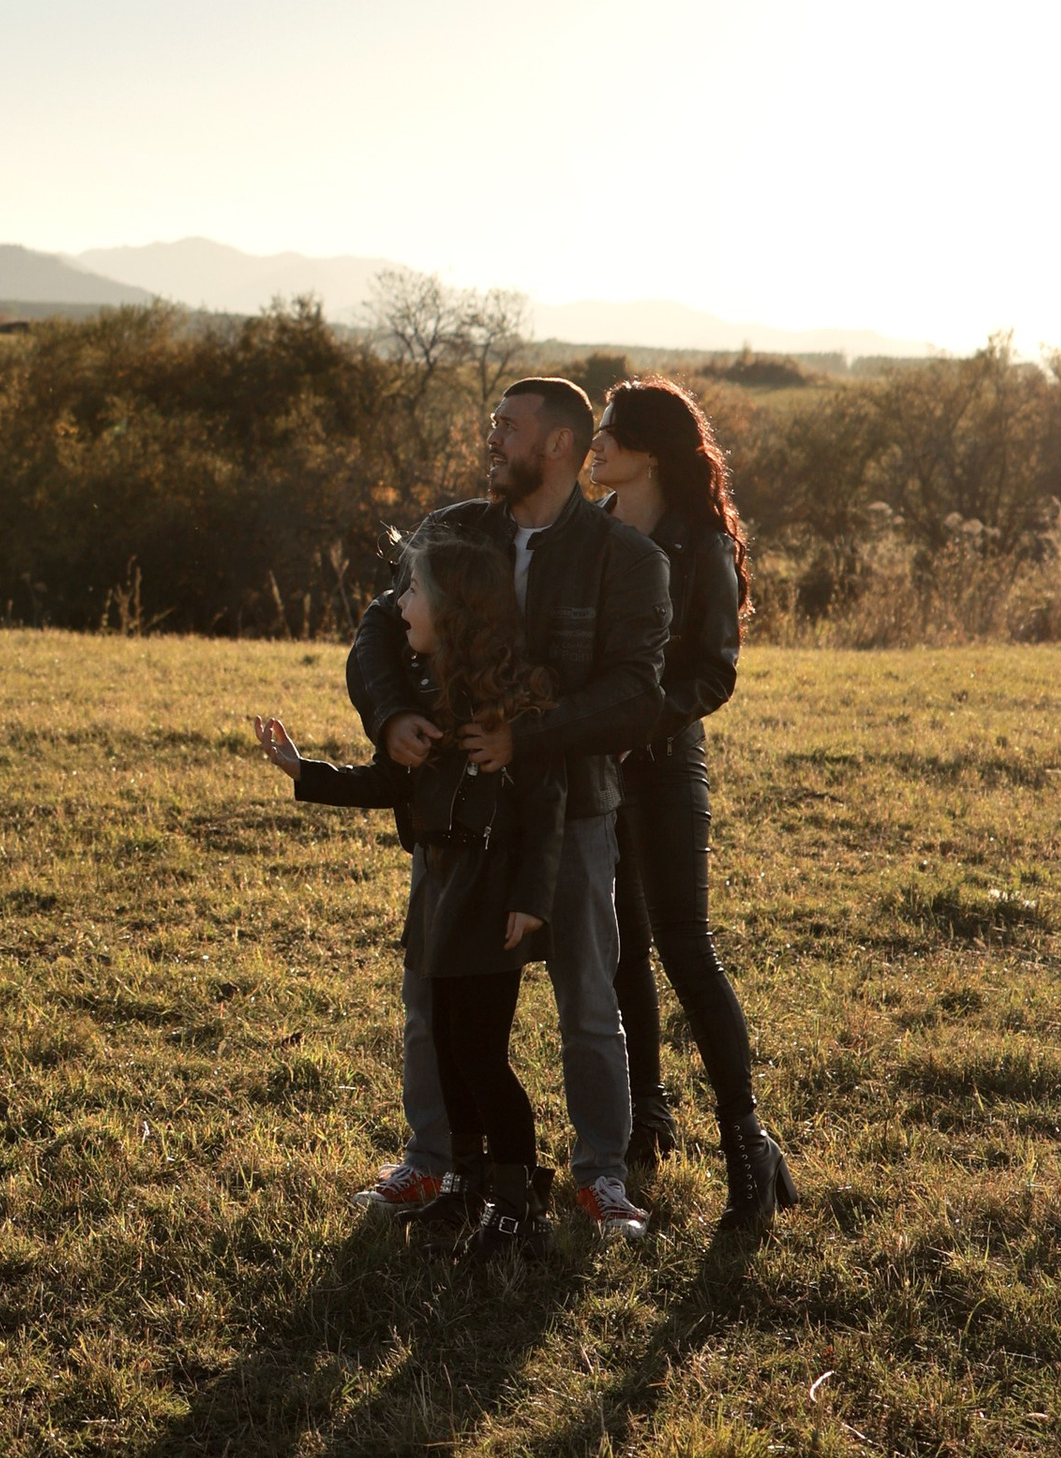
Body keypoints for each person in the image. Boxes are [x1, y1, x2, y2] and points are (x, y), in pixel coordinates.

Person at [347, 376, 667, 1248]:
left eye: (507, 427)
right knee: (432, 996)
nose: (492, 440)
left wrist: (527, 738)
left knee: (588, 1003)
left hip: (575, 816)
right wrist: (390, 716)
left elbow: (639, 695)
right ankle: (435, 1160)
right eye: (492, 425)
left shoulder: (624, 559)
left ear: (557, 445)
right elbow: (377, 633)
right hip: (454, 817)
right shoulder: (451, 531)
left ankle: (600, 1175)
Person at [254, 534, 562, 1265]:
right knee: (451, 1056)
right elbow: (388, 785)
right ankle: (465, 1183)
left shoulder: (509, 708)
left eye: (412, 593)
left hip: (491, 898)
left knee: (483, 1056)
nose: (398, 605)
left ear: (452, 610)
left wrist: (530, 899)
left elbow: (545, 807)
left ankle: (519, 1207)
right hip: (440, 896)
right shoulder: (426, 697)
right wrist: (304, 771)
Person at [588, 376, 796, 1238]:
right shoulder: (597, 531)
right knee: (621, 946)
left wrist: (640, 722)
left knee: (685, 948)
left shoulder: (698, 542)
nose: (592, 446)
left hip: (666, 769)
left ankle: (749, 1147)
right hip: (601, 769)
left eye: (607, 434)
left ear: (647, 450)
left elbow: (713, 672)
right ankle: (650, 1114)